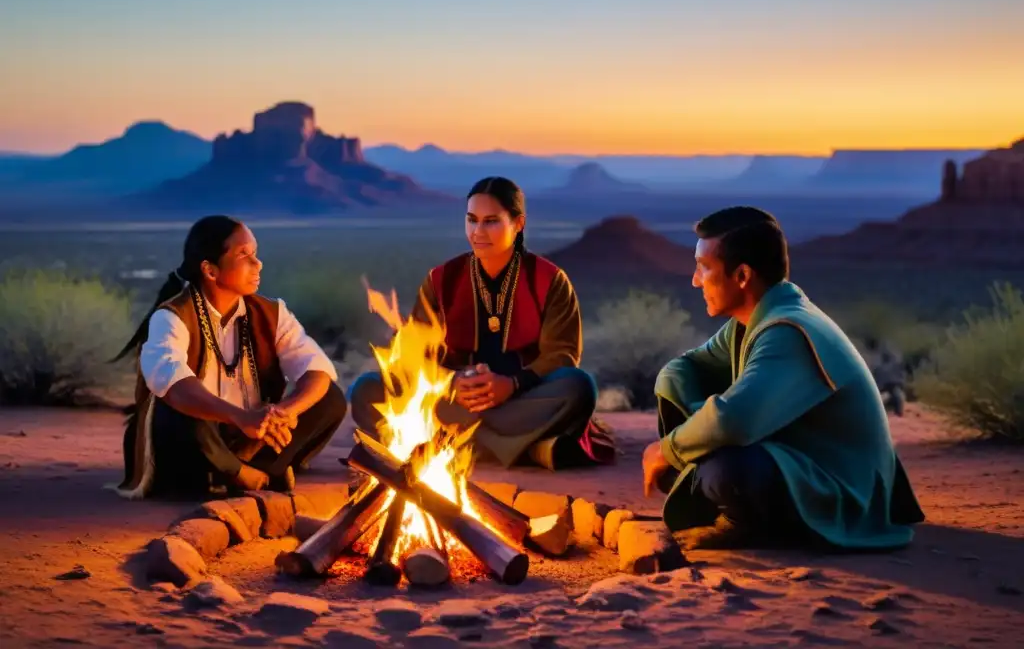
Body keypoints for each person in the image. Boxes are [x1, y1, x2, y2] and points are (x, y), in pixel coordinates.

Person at [642, 206, 924, 550]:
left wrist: (672, 448)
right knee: (687, 420)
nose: (695, 280)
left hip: (842, 489)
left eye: (704, 268)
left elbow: (733, 420)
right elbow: (681, 371)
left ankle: (743, 523)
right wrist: (702, 426)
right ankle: (723, 486)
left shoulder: (787, 331)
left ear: (742, 276)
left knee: (726, 469)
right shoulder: (750, 322)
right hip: (798, 463)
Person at [348, 176, 612, 470]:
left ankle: (454, 444)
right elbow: (416, 355)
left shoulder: (549, 280)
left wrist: (511, 384)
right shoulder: (441, 280)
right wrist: (452, 382)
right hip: (453, 401)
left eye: (491, 221)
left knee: (579, 387)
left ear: (518, 223)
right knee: (367, 390)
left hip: (521, 399)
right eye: (472, 220)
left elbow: (562, 356)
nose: (478, 231)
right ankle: (527, 449)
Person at [111, 215, 347, 499]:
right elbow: (172, 383)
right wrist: (240, 417)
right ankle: (246, 475)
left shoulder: (271, 313)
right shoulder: (171, 317)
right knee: (181, 410)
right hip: (195, 440)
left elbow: (316, 369)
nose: (257, 264)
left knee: (328, 397)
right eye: (244, 255)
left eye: (255, 254)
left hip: (251, 438)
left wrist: (285, 412)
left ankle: (248, 472)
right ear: (210, 271)